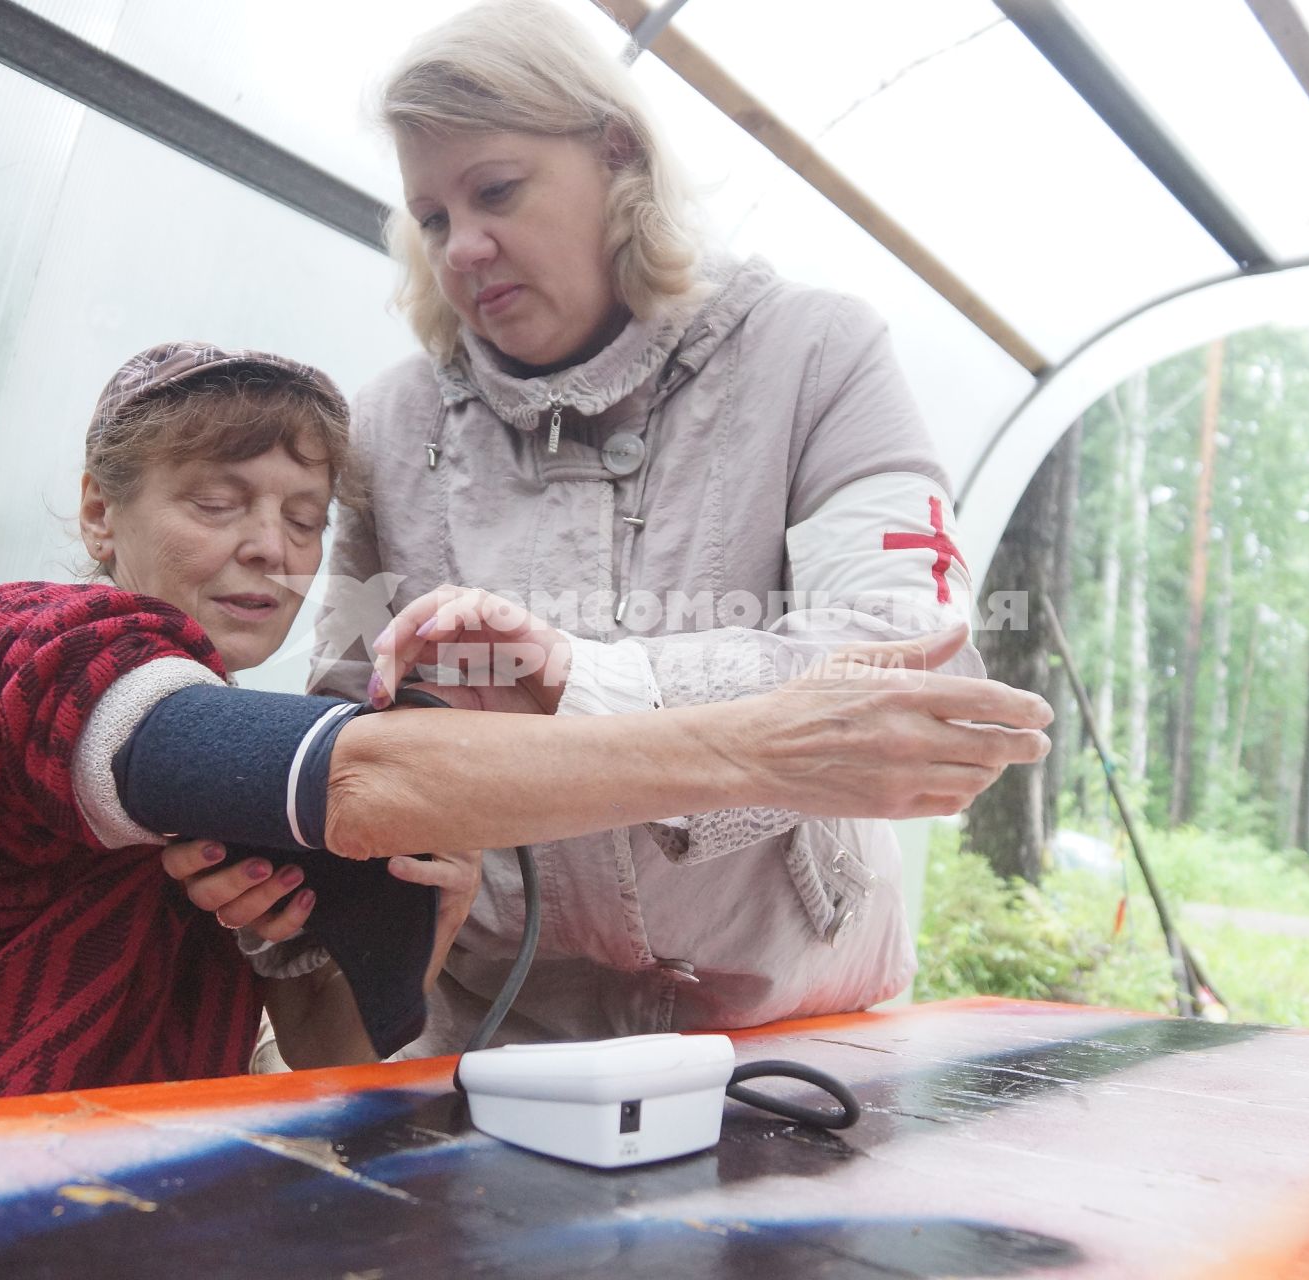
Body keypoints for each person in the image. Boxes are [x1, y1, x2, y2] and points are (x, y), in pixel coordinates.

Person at [0, 341, 1047, 1132]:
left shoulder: (221, 777)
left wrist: (429, 923)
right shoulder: (38, 649)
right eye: (218, 502)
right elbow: (361, 781)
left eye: (300, 517)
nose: (268, 554)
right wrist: (770, 746)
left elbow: (342, 1054)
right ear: (102, 518)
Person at [170, 0, 1053, 1060]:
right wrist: (305, 867)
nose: (463, 249)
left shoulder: (815, 355)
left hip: (795, 1042)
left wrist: (583, 682)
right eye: (433, 218)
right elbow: (351, 708)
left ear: (618, 152)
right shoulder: (391, 425)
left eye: (495, 190)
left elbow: (924, 663)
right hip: (492, 1044)